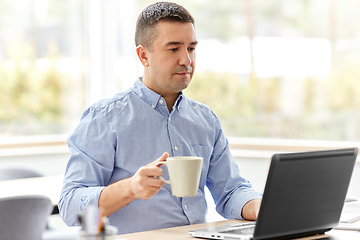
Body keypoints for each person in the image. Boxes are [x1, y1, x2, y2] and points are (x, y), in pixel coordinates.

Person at [59, 1, 262, 235]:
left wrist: (263, 208)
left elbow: (230, 192)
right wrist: (131, 188)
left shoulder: (205, 120)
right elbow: (70, 205)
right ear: (143, 55)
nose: (186, 60)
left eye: (191, 48)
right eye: (174, 49)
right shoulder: (104, 119)